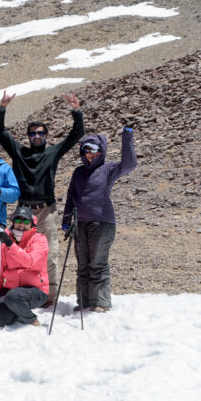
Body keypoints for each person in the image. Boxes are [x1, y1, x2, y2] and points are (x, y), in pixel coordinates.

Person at [0, 91, 85, 306]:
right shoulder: (19, 153)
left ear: (46, 135)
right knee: (18, 253)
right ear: (28, 136)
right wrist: (2, 109)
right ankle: (20, 292)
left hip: (47, 211)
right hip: (23, 213)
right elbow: (0, 132)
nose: (37, 137)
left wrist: (76, 111)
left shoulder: (53, 152)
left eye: (41, 133)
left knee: (50, 254)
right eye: (33, 133)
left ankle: (49, 297)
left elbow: (77, 133)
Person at [61, 128, 137, 313]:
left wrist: (127, 137)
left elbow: (129, 164)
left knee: (98, 262)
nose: (90, 154)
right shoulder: (78, 172)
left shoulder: (109, 169)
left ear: (101, 151)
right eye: (86, 150)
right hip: (80, 223)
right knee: (83, 264)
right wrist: (66, 219)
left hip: (102, 223)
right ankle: (84, 302)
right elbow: (71, 195)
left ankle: (101, 302)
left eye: (94, 150)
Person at [0, 207, 49, 327]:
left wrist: (11, 245)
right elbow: (1, 268)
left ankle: (31, 319)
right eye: (18, 220)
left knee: (14, 296)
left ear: (31, 223)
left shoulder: (39, 239)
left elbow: (30, 262)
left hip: (35, 290)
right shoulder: (7, 240)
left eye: (26, 221)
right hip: (12, 288)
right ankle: (17, 309)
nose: (21, 224)